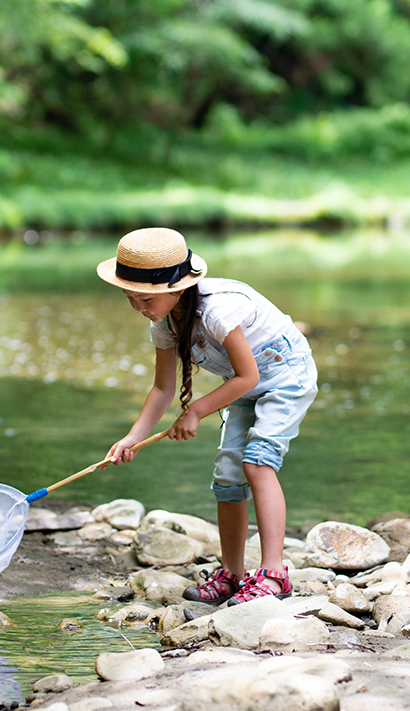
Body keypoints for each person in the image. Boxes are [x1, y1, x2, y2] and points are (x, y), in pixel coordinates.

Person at [97, 227, 318, 605]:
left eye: (146, 299)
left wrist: (197, 409)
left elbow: (250, 376)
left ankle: (274, 573)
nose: (140, 308)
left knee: (258, 463)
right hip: (241, 385)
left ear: (177, 288)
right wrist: (133, 436)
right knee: (228, 474)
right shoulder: (163, 323)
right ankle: (232, 574)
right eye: (130, 298)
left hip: (285, 376)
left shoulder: (219, 310)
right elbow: (162, 389)